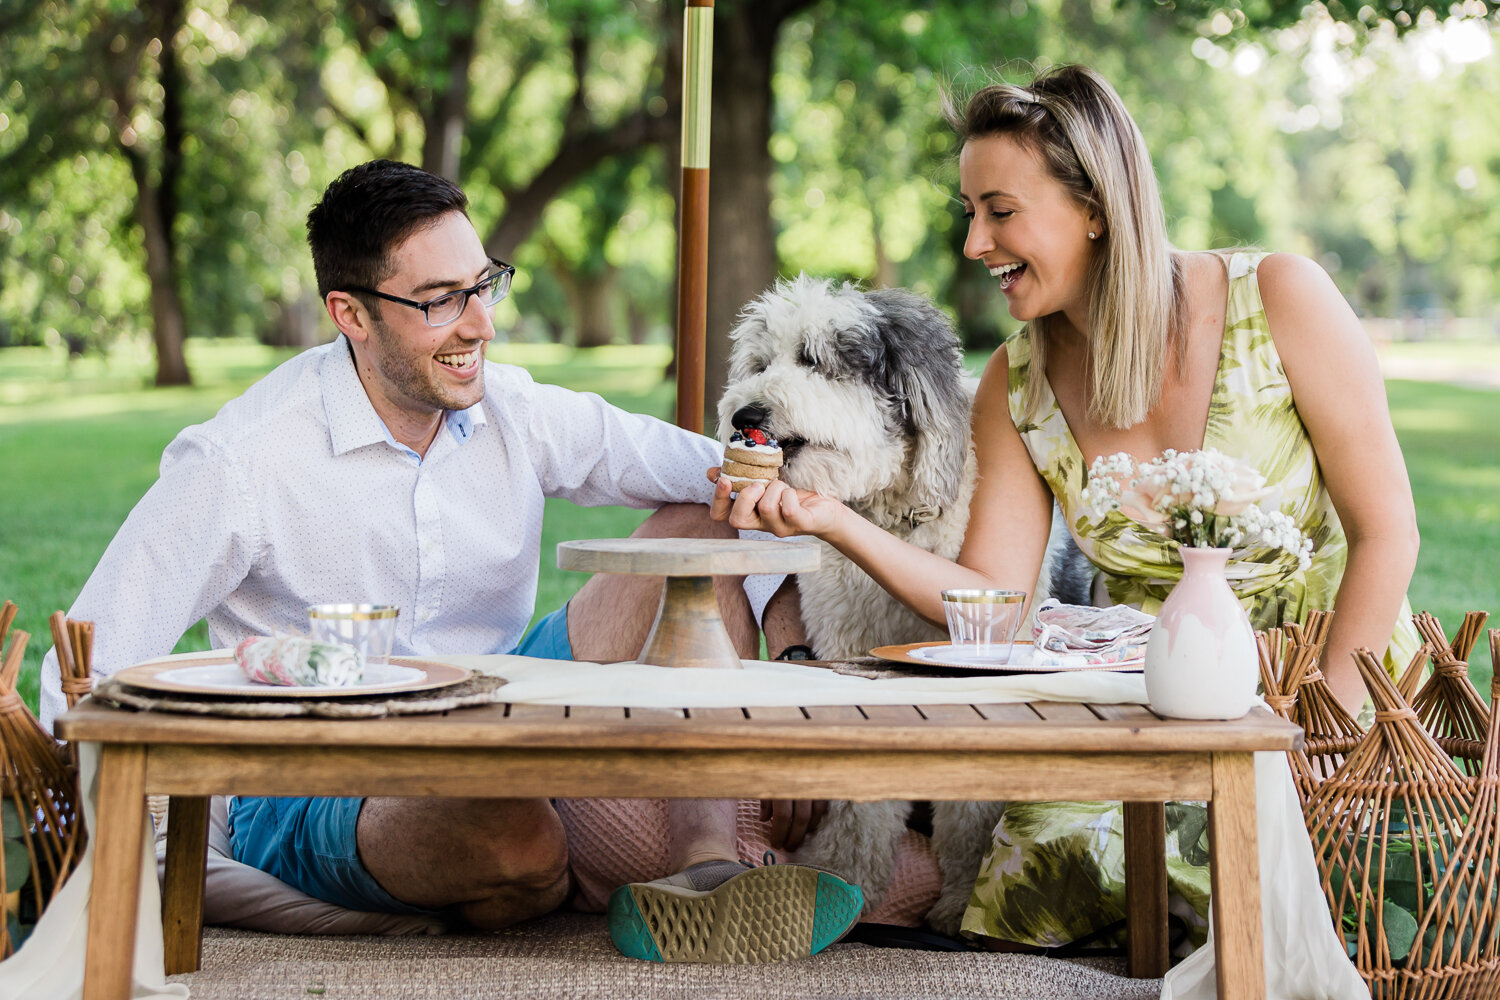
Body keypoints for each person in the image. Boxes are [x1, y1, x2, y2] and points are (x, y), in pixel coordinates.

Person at [37, 158, 861, 962]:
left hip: (508, 702)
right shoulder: (242, 462)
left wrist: (789, 651)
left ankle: (703, 866)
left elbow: (741, 484)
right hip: (325, 773)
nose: (480, 324)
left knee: (697, 520)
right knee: (517, 845)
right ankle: (569, 862)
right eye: (440, 301)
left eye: (484, 284)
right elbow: (92, 651)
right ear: (350, 314)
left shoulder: (519, 410)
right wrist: (59, 846)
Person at [711, 65, 1421, 950]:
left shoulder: (1279, 297)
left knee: (1353, 893)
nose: (975, 242)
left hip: (1333, 671)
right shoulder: (1018, 380)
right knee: (1035, 880)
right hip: (1147, 699)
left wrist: (1325, 726)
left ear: (1095, 205)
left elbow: (1386, 531)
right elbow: (993, 603)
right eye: (969, 213)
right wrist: (830, 521)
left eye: (999, 211)